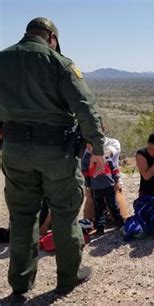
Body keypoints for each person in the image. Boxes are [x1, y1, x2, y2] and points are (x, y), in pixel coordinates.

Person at [0, 17, 104, 297]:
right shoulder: (60, 63)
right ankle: (68, 277)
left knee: (21, 216)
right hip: (56, 152)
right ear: (52, 38)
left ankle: (21, 283)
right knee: (65, 213)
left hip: (14, 149)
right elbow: (85, 107)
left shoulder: (2, 59)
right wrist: (97, 147)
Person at [82, 144, 124, 235]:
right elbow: (84, 172)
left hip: (109, 185)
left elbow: (114, 169)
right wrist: (88, 185)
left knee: (113, 205)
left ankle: (120, 222)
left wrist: (116, 181)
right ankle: (100, 227)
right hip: (96, 188)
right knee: (99, 208)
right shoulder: (86, 158)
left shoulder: (105, 155)